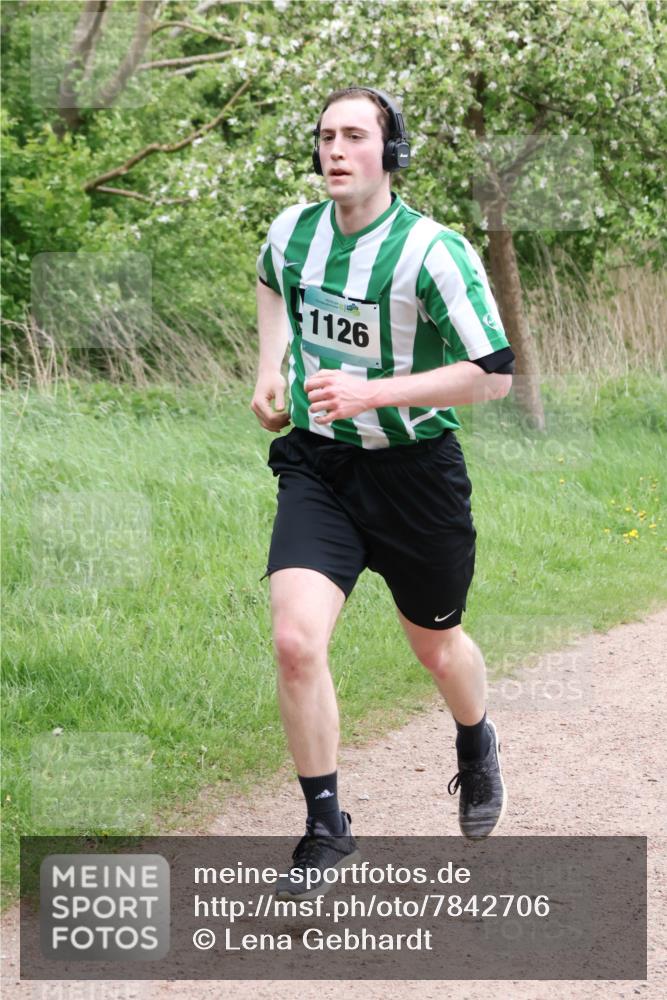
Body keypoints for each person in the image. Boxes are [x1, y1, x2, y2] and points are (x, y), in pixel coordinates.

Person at [251, 86, 514, 901]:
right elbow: (270, 283)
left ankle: (474, 741)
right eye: (326, 135)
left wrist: (378, 393)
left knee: (436, 646)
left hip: (415, 476)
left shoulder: (432, 252)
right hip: (319, 465)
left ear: (389, 152)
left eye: (355, 136)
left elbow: (492, 377)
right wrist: (269, 367)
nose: (336, 150)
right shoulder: (292, 231)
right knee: (296, 641)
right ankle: (326, 828)